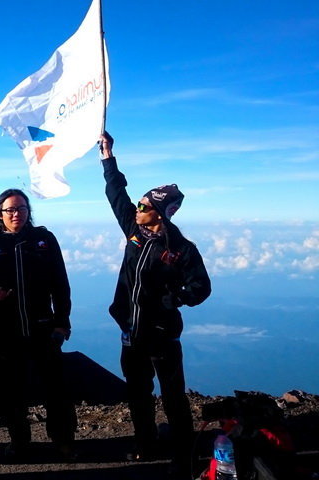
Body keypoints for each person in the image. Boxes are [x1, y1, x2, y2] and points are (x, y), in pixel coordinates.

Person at [99, 132, 211, 479]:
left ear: (160, 214)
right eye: (141, 203)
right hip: (131, 331)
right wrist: (107, 156)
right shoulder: (134, 230)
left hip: (162, 334)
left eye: (145, 206)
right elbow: (116, 194)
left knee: (174, 396)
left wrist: (172, 299)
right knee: (138, 393)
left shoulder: (181, 248)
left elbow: (201, 287)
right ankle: (146, 444)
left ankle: (183, 452)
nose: (138, 208)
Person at [0, 189, 77, 461]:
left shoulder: (43, 239)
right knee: (11, 390)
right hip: (8, 329)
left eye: (21, 209)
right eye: (10, 210)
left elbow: (60, 285)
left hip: (43, 326)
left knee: (56, 388)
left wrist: (62, 323)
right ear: (0, 214)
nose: (16, 214)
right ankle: (20, 440)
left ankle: (64, 440)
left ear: (29, 212)